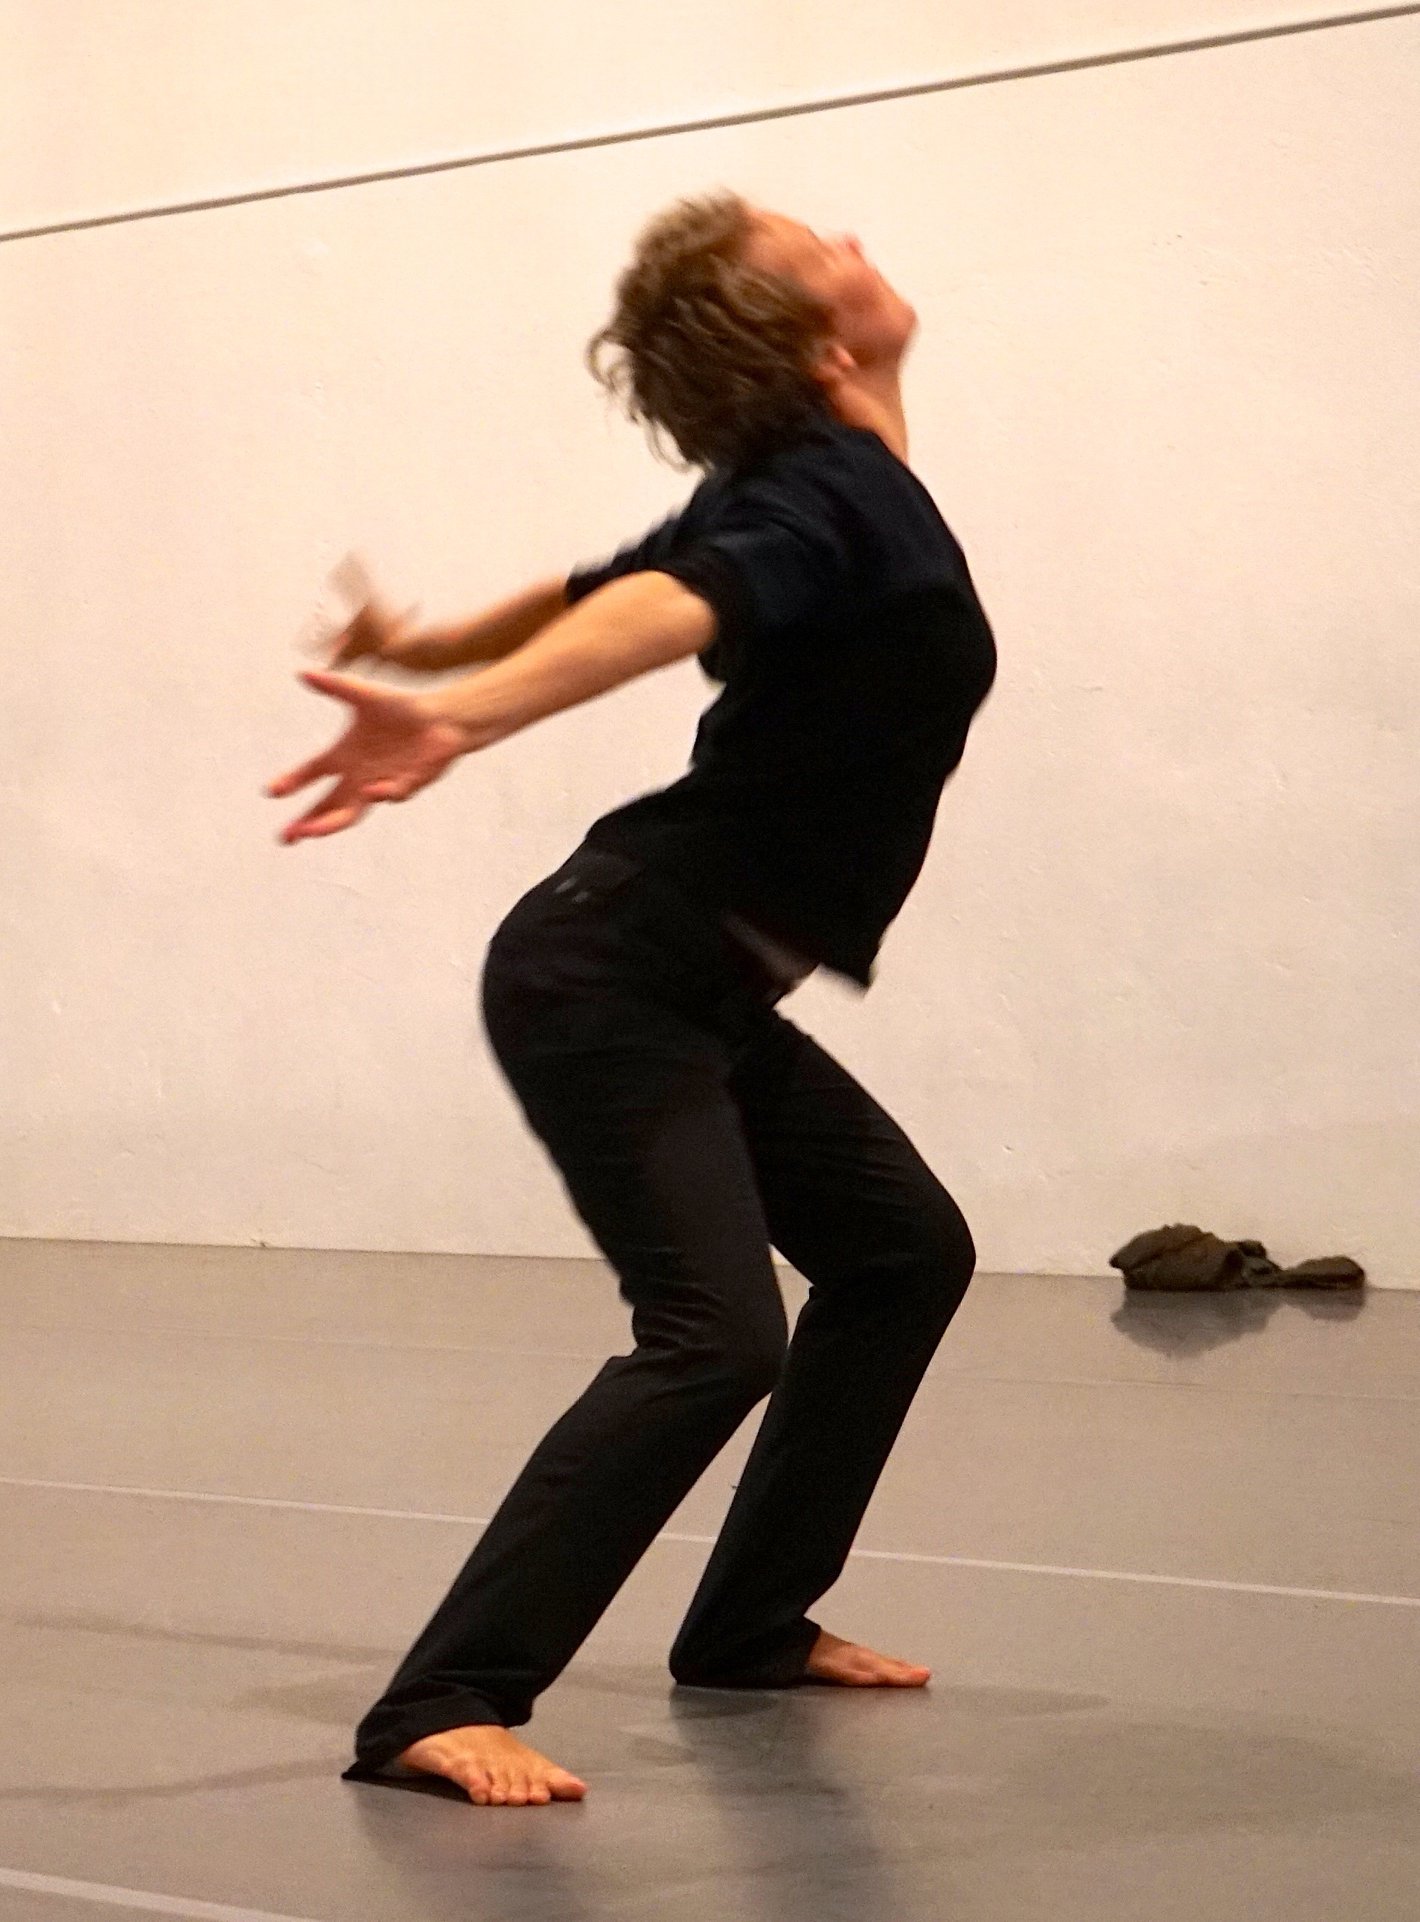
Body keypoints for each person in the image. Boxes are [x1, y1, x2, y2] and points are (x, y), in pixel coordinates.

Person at [266, 191, 998, 1808]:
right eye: (824, 253)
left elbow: (601, 582)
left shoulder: (805, 490)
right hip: (614, 972)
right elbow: (666, 609)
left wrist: (427, 644)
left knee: (902, 1250)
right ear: (822, 346)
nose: (859, 240)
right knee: (712, 1333)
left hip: (696, 983)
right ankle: (441, 1698)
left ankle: (747, 1624)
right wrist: (461, 714)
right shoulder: (826, 498)